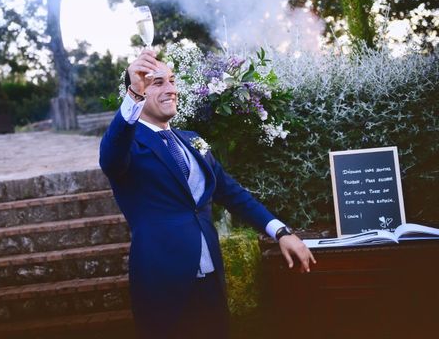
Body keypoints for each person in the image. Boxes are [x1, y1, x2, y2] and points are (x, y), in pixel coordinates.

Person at [99, 50, 315, 338]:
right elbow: (110, 158)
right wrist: (133, 97)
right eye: (158, 82)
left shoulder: (192, 140)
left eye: (172, 81)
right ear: (139, 89)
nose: (171, 89)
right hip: (163, 284)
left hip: (211, 279)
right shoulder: (128, 143)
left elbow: (232, 193)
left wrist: (280, 231)